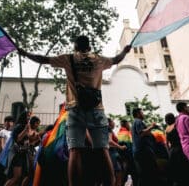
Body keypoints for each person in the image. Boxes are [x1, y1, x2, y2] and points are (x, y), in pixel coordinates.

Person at [18, 35, 131, 186]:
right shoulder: (99, 60)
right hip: (96, 110)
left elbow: (43, 59)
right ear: (89, 47)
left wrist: (25, 53)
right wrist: (125, 51)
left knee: (74, 151)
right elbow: (116, 59)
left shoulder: (68, 59)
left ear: (75, 47)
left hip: (75, 110)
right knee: (102, 149)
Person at [131, 108, 159, 186]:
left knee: (144, 174)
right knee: (149, 173)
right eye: (142, 112)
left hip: (140, 152)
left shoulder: (134, 123)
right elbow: (142, 133)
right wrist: (152, 126)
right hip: (143, 152)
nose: (143, 114)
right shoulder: (138, 122)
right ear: (138, 114)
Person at [165, 113, 189, 186]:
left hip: (172, 151)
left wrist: (169, 152)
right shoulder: (176, 126)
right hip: (180, 149)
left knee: (177, 171)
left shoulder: (167, 129)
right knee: (186, 169)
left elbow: (166, 143)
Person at [107, 118, 127, 186]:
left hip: (111, 153)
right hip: (112, 154)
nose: (114, 123)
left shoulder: (108, 130)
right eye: (113, 121)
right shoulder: (108, 129)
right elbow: (109, 141)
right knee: (118, 175)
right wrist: (120, 147)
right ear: (109, 123)